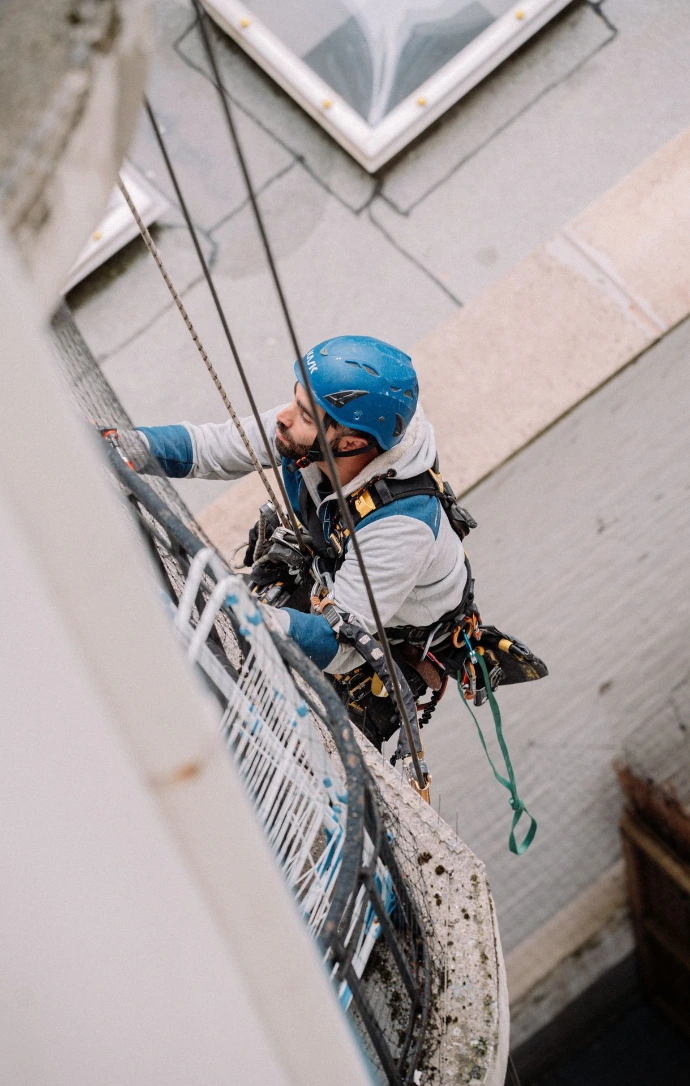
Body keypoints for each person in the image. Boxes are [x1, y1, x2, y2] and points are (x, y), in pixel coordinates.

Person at [134, 335, 478, 749]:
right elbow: (215, 446)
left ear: (350, 444)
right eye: (294, 400)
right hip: (336, 573)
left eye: (304, 415)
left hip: (388, 634)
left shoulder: (402, 527)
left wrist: (247, 615)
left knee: (292, 744)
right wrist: (126, 445)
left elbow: (345, 643)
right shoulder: (326, 431)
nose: (282, 417)